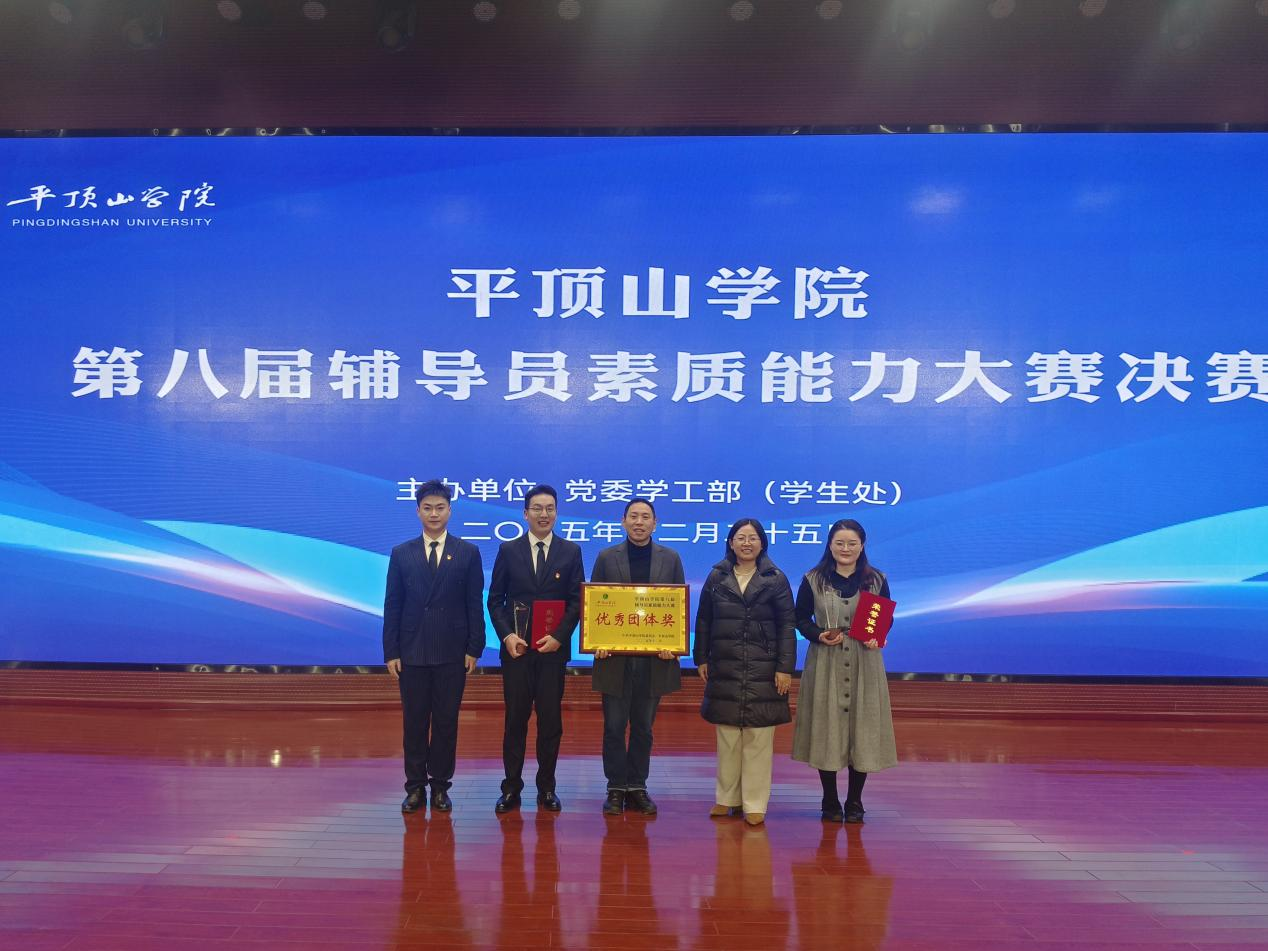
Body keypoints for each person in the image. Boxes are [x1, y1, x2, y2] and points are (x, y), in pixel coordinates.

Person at [383, 479, 486, 814]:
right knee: (414, 722)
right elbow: (393, 604)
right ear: (418, 512)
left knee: (445, 722)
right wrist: (391, 651)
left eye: (440, 507)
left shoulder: (467, 552)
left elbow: (474, 604)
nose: (434, 514)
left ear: (450, 511)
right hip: (412, 651)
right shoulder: (402, 553)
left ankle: (441, 786)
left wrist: (474, 647)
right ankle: (415, 787)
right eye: (427, 508)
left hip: (452, 652)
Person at [487, 484, 585, 814]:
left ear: (556, 512)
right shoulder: (508, 550)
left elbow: (577, 602)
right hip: (517, 652)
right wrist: (506, 636)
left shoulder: (570, 551)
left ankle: (547, 788)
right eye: (537, 508)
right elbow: (495, 600)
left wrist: (559, 636)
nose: (544, 514)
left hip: (551, 653)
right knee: (515, 721)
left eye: (550, 508)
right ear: (525, 513)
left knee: (550, 722)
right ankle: (511, 788)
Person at [792, 518, 897, 823]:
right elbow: (800, 618)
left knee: (863, 728)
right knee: (827, 728)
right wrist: (818, 634)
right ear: (830, 545)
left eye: (852, 543)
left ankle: (854, 800)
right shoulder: (813, 579)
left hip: (866, 661)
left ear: (862, 546)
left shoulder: (877, 579)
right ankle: (829, 799)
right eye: (839, 543)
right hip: (826, 661)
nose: (846, 549)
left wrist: (880, 635)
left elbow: (885, 617)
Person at [692, 518, 796, 827]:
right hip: (725, 664)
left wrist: (784, 668)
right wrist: (701, 657)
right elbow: (704, 620)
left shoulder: (775, 579)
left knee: (758, 737)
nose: (747, 543)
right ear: (731, 542)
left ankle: (754, 803)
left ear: (762, 543)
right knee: (727, 736)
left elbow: (787, 627)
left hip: (764, 667)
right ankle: (726, 798)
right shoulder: (717, 576)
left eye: (753, 538)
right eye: (741, 537)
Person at [590, 498, 685, 816]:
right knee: (614, 727)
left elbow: (678, 607)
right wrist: (597, 640)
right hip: (614, 658)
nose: (639, 522)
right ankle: (616, 787)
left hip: (654, 659)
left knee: (644, 727)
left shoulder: (670, 558)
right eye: (634, 516)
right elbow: (595, 604)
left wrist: (673, 643)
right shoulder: (606, 557)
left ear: (655, 524)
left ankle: (637, 786)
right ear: (623, 521)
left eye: (646, 517)